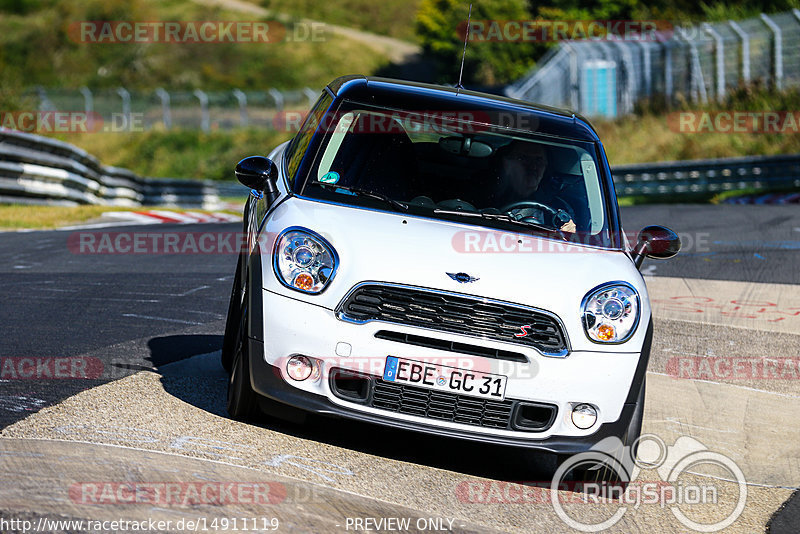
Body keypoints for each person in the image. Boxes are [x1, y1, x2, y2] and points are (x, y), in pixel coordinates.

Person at [495, 141, 577, 233]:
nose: (533, 166)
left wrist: (568, 234)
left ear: (546, 167)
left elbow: (573, 240)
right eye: (523, 158)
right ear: (506, 163)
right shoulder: (485, 198)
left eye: (539, 160)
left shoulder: (560, 209)